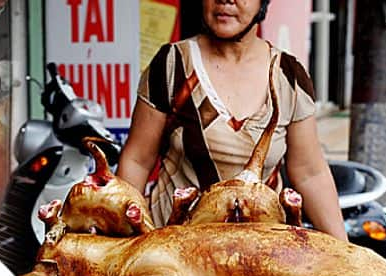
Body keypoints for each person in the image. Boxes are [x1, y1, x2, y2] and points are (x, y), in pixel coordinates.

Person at [117, 0, 347, 240]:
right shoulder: (172, 65)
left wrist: (349, 257)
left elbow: (310, 173)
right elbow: (137, 160)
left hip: (260, 253)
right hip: (175, 253)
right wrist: (120, 246)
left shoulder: (288, 75)